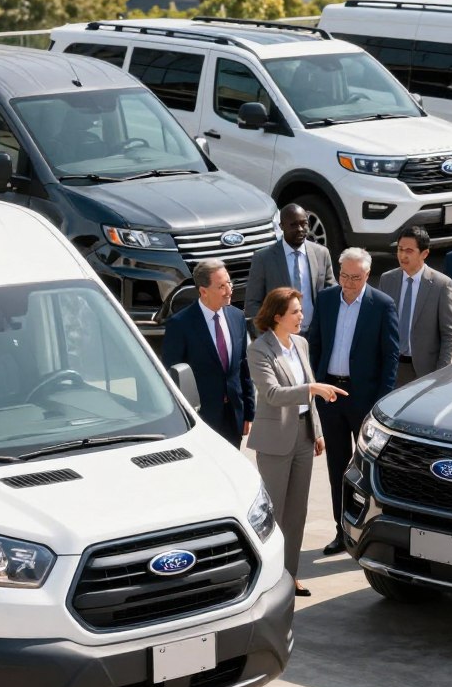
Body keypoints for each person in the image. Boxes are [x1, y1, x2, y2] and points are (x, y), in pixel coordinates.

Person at [247, 288, 347, 598]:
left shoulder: (300, 344)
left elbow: (309, 400)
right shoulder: (260, 349)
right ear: (277, 316)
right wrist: (312, 388)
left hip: (303, 436)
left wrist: (316, 431)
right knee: (274, 515)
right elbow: (273, 394)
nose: (301, 316)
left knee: (297, 513)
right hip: (275, 440)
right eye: (295, 312)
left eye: (301, 311)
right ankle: (267, 578)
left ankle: (290, 576)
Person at [309, 248, 399, 555]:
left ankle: (370, 532)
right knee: (336, 467)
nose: (348, 283)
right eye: (344, 276)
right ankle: (341, 531)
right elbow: (315, 344)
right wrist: (317, 385)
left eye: (356, 278)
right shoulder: (326, 300)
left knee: (367, 469)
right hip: (330, 395)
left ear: (367, 275)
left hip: (364, 399)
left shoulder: (382, 305)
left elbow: (390, 358)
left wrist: (379, 405)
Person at [162, 258, 254, 448]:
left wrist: (249, 412)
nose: (229, 290)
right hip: (201, 418)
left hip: (233, 415)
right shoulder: (180, 325)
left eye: (229, 282)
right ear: (203, 291)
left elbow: (243, 367)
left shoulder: (237, 318)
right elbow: (171, 377)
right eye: (221, 286)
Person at [378, 226, 452, 386]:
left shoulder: (441, 285)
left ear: (424, 254)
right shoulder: (387, 280)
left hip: (424, 372)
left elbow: (450, 335)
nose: (402, 255)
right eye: (400, 249)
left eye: (409, 251)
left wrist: (440, 374)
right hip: (391, 367)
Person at [244, 203, 336, 335]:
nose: (300, 229)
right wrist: (265, 335)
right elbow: (252, 303)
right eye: (293, 225)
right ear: (281, 226)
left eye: (303, 223)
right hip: (280, 336)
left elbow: (331, 292)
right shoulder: (264, 258)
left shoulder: (321, 253)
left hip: (315, 334)